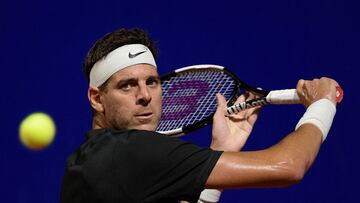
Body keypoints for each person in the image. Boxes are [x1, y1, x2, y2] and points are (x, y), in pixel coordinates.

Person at [60, 28, 340, 203]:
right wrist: (322, 105)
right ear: (97, 99)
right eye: (127, 85)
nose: (145, 95)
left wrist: (220, 150)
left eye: (152, 82)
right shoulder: (130, 151)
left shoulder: (90, 158)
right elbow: (288, 166)